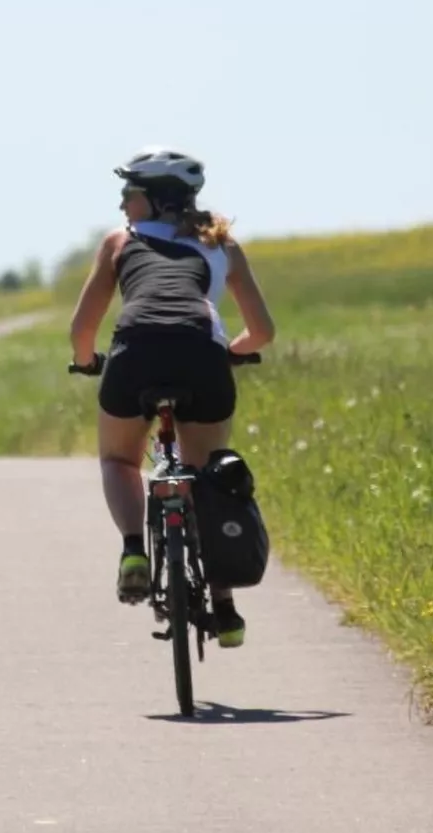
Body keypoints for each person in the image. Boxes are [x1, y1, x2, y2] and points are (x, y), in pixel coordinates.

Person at [67, 146, 276, 648]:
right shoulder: (223, 245)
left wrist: (87, 360)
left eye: (129, 193)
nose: (122, 204)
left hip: (135, 350)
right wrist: (234, 352)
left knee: (119, 459)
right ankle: (224, 609)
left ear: (155, 200)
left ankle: (135, 550)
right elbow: (263, 332)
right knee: (208, 481)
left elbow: (83, 328)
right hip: (202, 355)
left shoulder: (121, 242)